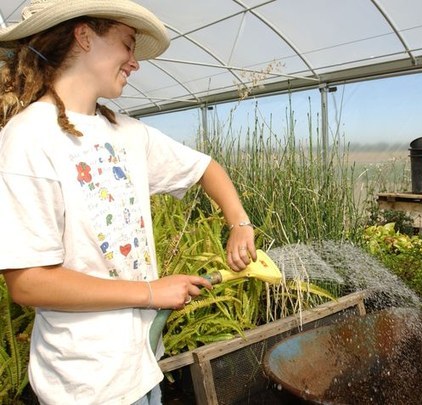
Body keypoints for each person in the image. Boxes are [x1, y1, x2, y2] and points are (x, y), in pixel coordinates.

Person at [0, 1, 256, 403]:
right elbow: (29, 282)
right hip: (84, 383)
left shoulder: (128, 133)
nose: (135, 63)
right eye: (127, 45)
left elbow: (207, 168)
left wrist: (239, 223)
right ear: (84, 36)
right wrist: (152, 293)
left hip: (142, 366)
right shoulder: (29, 138)